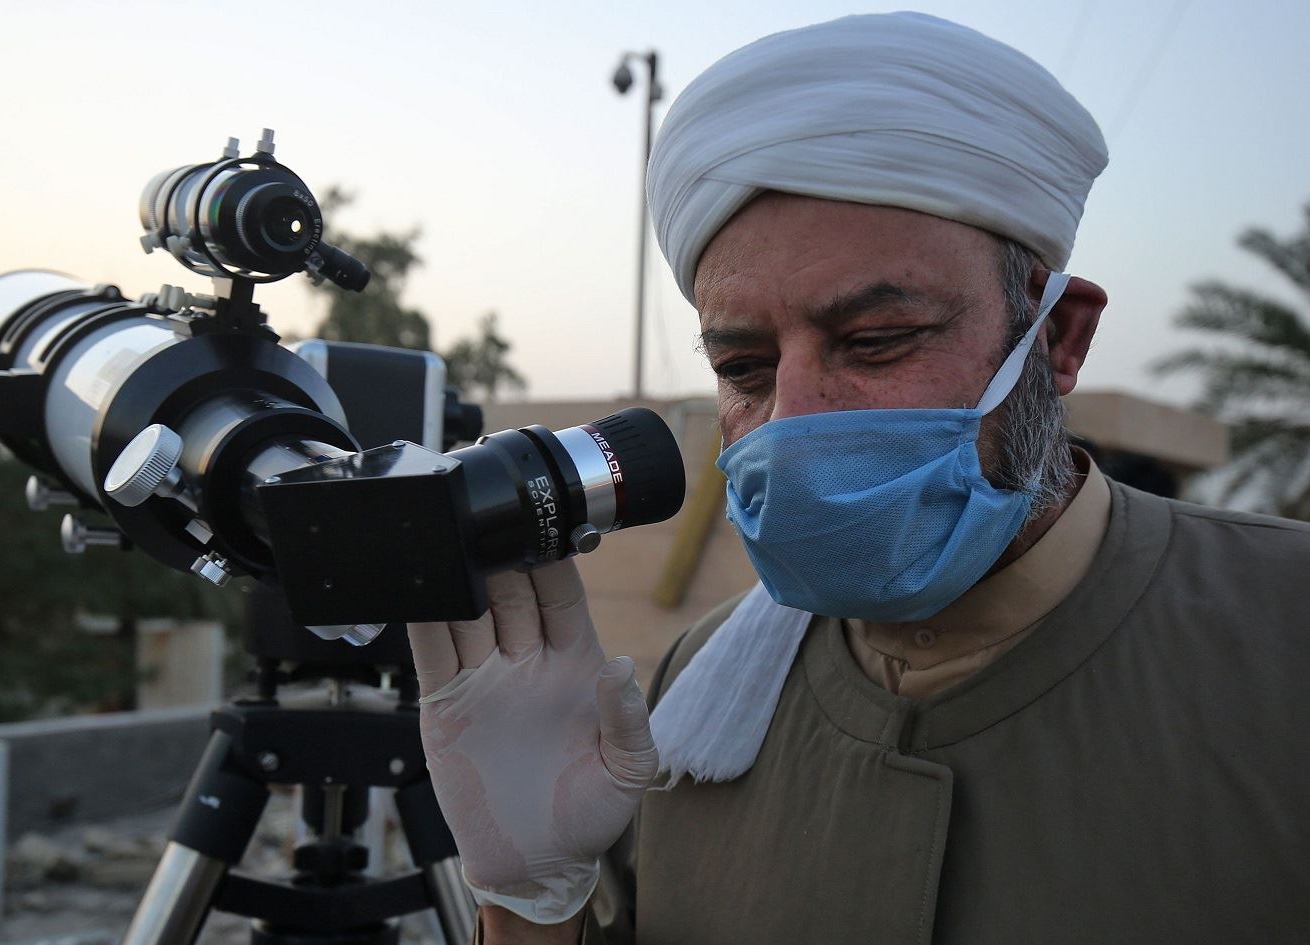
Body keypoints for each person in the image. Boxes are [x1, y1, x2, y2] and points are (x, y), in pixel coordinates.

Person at [408, 13, 1310, 944]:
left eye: (878, 341)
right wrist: (534, 899)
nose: (795, 420)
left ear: (1057, 338)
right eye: (745, 367)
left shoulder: (1286, 633)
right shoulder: (678, 704)